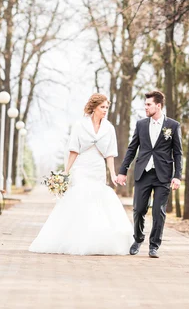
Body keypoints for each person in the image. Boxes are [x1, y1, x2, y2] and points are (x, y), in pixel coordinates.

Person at [28, 93, 133, 255]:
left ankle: (96, 239)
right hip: (82, 166)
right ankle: (74, 239)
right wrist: (66, 172)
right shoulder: (80, 125)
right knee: (81, 196)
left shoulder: (109, 128)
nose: (105, 110)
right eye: (102, 107)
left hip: (98, 167)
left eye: (107, 107)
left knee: (98, 199)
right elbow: (73, 150)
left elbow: (110, 154)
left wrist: (112, 174)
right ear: (94, 108)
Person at [116, 90, 182, 258]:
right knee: (138, 210)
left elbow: (178, 153)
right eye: (145, 104)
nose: (145, 107)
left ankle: (154, 245)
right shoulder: (141, 124)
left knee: (158, 211)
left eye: (148, 104)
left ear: (158, 106)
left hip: (163, 174)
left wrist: (177, 175)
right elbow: (132, 149)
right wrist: (123, 171)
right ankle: (138, 239)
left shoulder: (173, 126)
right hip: (143, 173)